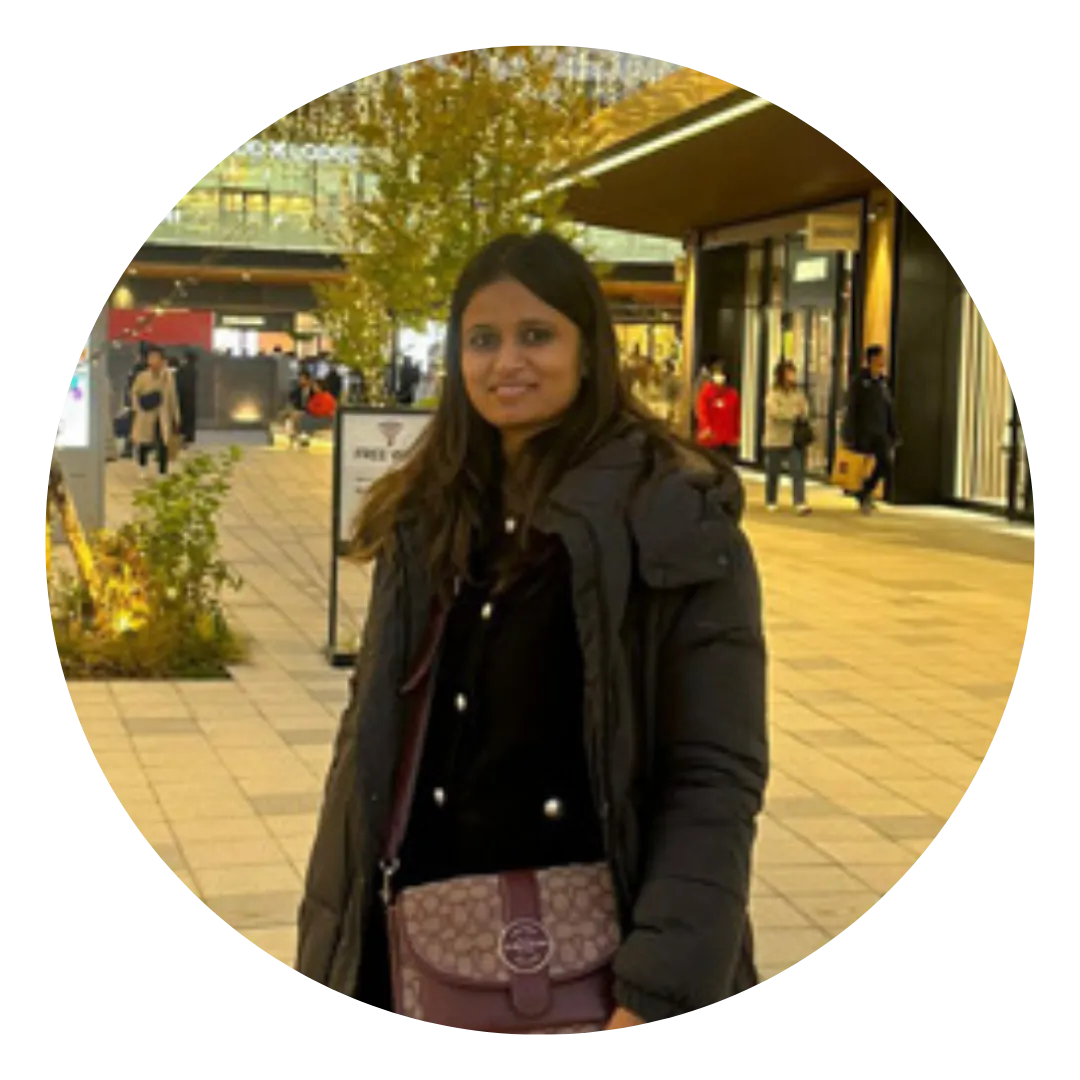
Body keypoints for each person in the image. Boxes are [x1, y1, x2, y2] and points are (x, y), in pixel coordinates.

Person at [296, 232, 768, 1036]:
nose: (506, 361)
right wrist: (335, 948)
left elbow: (713, 773)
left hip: (598, 972)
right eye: (483, 339)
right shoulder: (431, 511)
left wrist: (658, 990)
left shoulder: (670, 514)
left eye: (537, 334)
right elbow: (368, 744)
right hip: (420, 948)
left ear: (589, 351)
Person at [842, 345, 900, 514]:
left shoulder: (883, 382)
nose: (883, 361)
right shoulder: (860, 381)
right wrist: (849, 433)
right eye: (881, 357)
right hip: (863, 432)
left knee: (886, 465)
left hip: (880, 432)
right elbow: (852, 408)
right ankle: (862, 494)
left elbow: (888, 409)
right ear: (872, 359)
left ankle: (865, 491)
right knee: (861, 466)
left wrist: (894, 432)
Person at [763, 360, 812, 515]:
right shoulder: (773, 393)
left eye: (793, 372)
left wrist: (799, 413)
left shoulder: (798, 393)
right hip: (775, 438)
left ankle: (799, 501)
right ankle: (771, 500)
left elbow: (804, 409)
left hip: (794, 438)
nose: (792, 376)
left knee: (797, 470)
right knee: (773, 471)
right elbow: (775, 412)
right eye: (789, 372)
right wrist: (792, 413)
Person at [130, 345, 181, 479]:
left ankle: (162, 471)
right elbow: (134, 393)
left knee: (163, 442)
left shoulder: (168, 377)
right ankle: (143, 466)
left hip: (162, 415)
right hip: (146, 414)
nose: (153, 360)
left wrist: (176, 416)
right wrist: (137, 408)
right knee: (144, 443)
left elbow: (173, 397)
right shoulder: (143, 376)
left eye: (156, 357)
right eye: (151, 357)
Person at [695, 357, 741, 463]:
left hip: (727, 438)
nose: (719, 377)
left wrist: (737, 435)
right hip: (710, 437)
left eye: (721, 374)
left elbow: (736, 415)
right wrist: (706, 428)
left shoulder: (732, 394)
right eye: (717, 374)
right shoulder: (706, 392)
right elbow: (702, 411)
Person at [175, 350, 198, 445]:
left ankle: (182, 435)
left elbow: (178, 382)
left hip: (182, 395)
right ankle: (190, 436)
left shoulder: (182, 369)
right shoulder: (194, 370)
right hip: (191, 395)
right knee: (190, 416)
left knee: (182, 416)